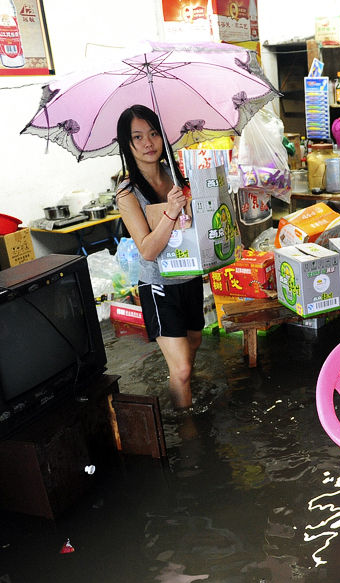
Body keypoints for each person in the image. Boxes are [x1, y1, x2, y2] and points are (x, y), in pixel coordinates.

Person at [115, 104, 203, 412]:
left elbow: (193, 227)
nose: (148, 143)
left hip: (190, 277)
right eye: (137, 137)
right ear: (126, 145)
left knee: (192, 348)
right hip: (159, 285)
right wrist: (171, 211)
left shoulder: (176, 175)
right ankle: (188, 431)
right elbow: (148, 250)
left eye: (153, 134)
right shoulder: (126, 193)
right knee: (181, 369)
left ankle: (182, 400)